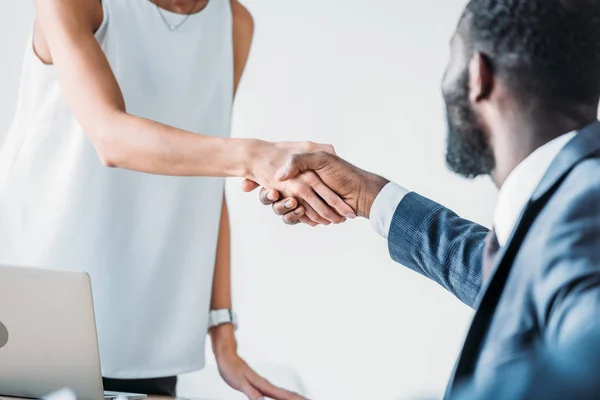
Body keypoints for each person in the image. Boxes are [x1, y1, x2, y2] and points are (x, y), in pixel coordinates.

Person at [0, 0, 355, 398]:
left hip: (150, 334)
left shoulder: (234, 23)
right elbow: (110, 135)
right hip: (30, 316)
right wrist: (254, 156)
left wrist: (225, 341)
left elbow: (206, 181)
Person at [256, 0, 600, 397]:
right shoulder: (569, 198)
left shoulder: (586, 209)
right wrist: (369, 195)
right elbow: (511, 284)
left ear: (478, 75)